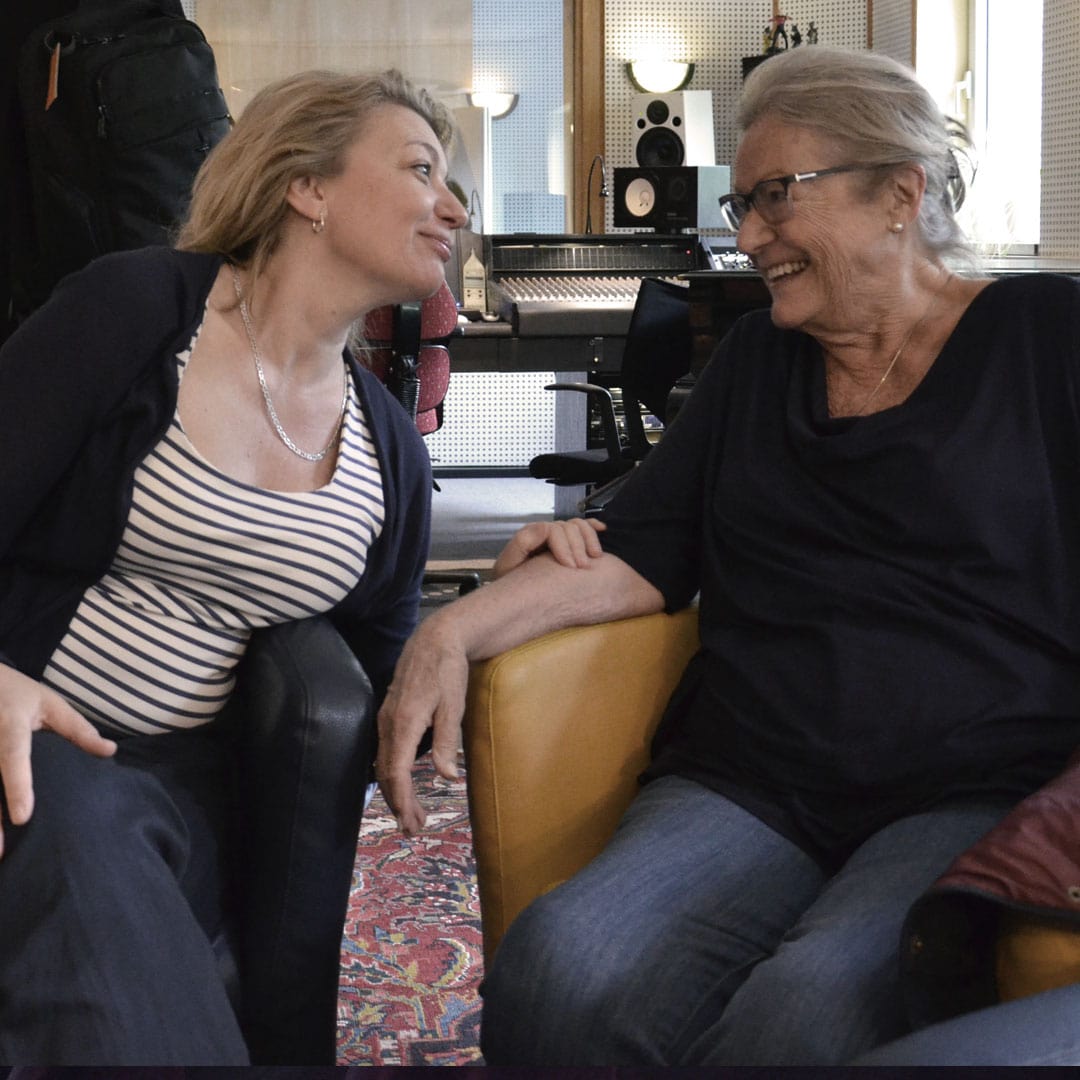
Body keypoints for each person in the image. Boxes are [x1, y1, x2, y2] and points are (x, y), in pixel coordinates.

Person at [376, 44, 1080, 1065]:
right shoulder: (756, 361)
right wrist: (451, 628)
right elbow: (645, 551)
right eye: (741, 204)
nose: (746, 236)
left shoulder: (1046, 336)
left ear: (898, 192)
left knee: (803, 1015)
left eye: (775, 199)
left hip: (972, 785)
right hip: (752, 775)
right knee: (558, 966)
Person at [0, 67, 467, 1063]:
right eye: (421, 168)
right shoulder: (136, 312)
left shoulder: (389, 447)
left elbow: (379, 656)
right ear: (309, 186)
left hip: (199, 787)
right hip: (33, 725)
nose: (453, 206)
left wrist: (494, 615)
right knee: (64, 814)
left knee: (103, 858)